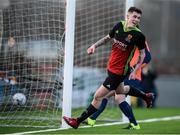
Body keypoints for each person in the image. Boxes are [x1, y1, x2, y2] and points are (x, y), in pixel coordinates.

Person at [63, 7, 154, 129]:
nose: (136, 19)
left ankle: (77, 121)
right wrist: (94, 46)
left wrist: (136, 70)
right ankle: (146, 96)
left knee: (98, 96)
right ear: (127, 16)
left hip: (118, 72)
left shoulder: (139, 36)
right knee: (121, 91)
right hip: (111, 68)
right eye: (134, 16)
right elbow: (107, 38)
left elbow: (143, 55)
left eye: (138, 18)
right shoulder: (118, 26)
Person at [87, 42, 151, 129]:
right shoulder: (124, 37)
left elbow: (147, 57)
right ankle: (92, 119)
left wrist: (134, 68)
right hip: (122, 74)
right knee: (107, 96)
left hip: (131, 76)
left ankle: (92, 119)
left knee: (114, 97)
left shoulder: (138, 37)